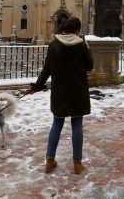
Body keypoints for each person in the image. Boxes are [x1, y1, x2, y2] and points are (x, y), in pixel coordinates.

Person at [29, 16, 94, 175]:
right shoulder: (81, 45)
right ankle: (77, 164)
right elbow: (90, 66)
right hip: (78, 91)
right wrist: (87, 47)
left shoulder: (54, 45)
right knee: (77, 124)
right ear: (77, 30)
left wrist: (37, 85)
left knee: (57, 124)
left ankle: (49, 161)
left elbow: (46, 69)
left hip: (60, 91)